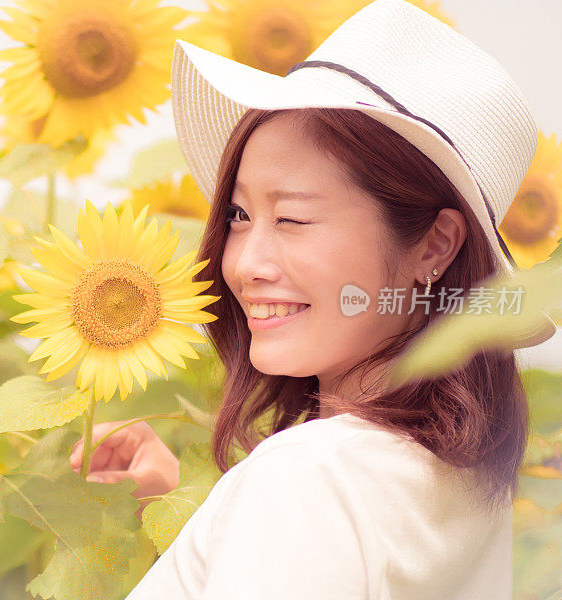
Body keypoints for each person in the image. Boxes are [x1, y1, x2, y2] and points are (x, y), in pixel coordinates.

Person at [69, 0, 557, 597]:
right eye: (240, 215)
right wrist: (206, 530)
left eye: (294, 218)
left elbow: (314, 509)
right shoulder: (463, 482)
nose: (244, 263)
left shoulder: (306, 481)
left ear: (435, 244)